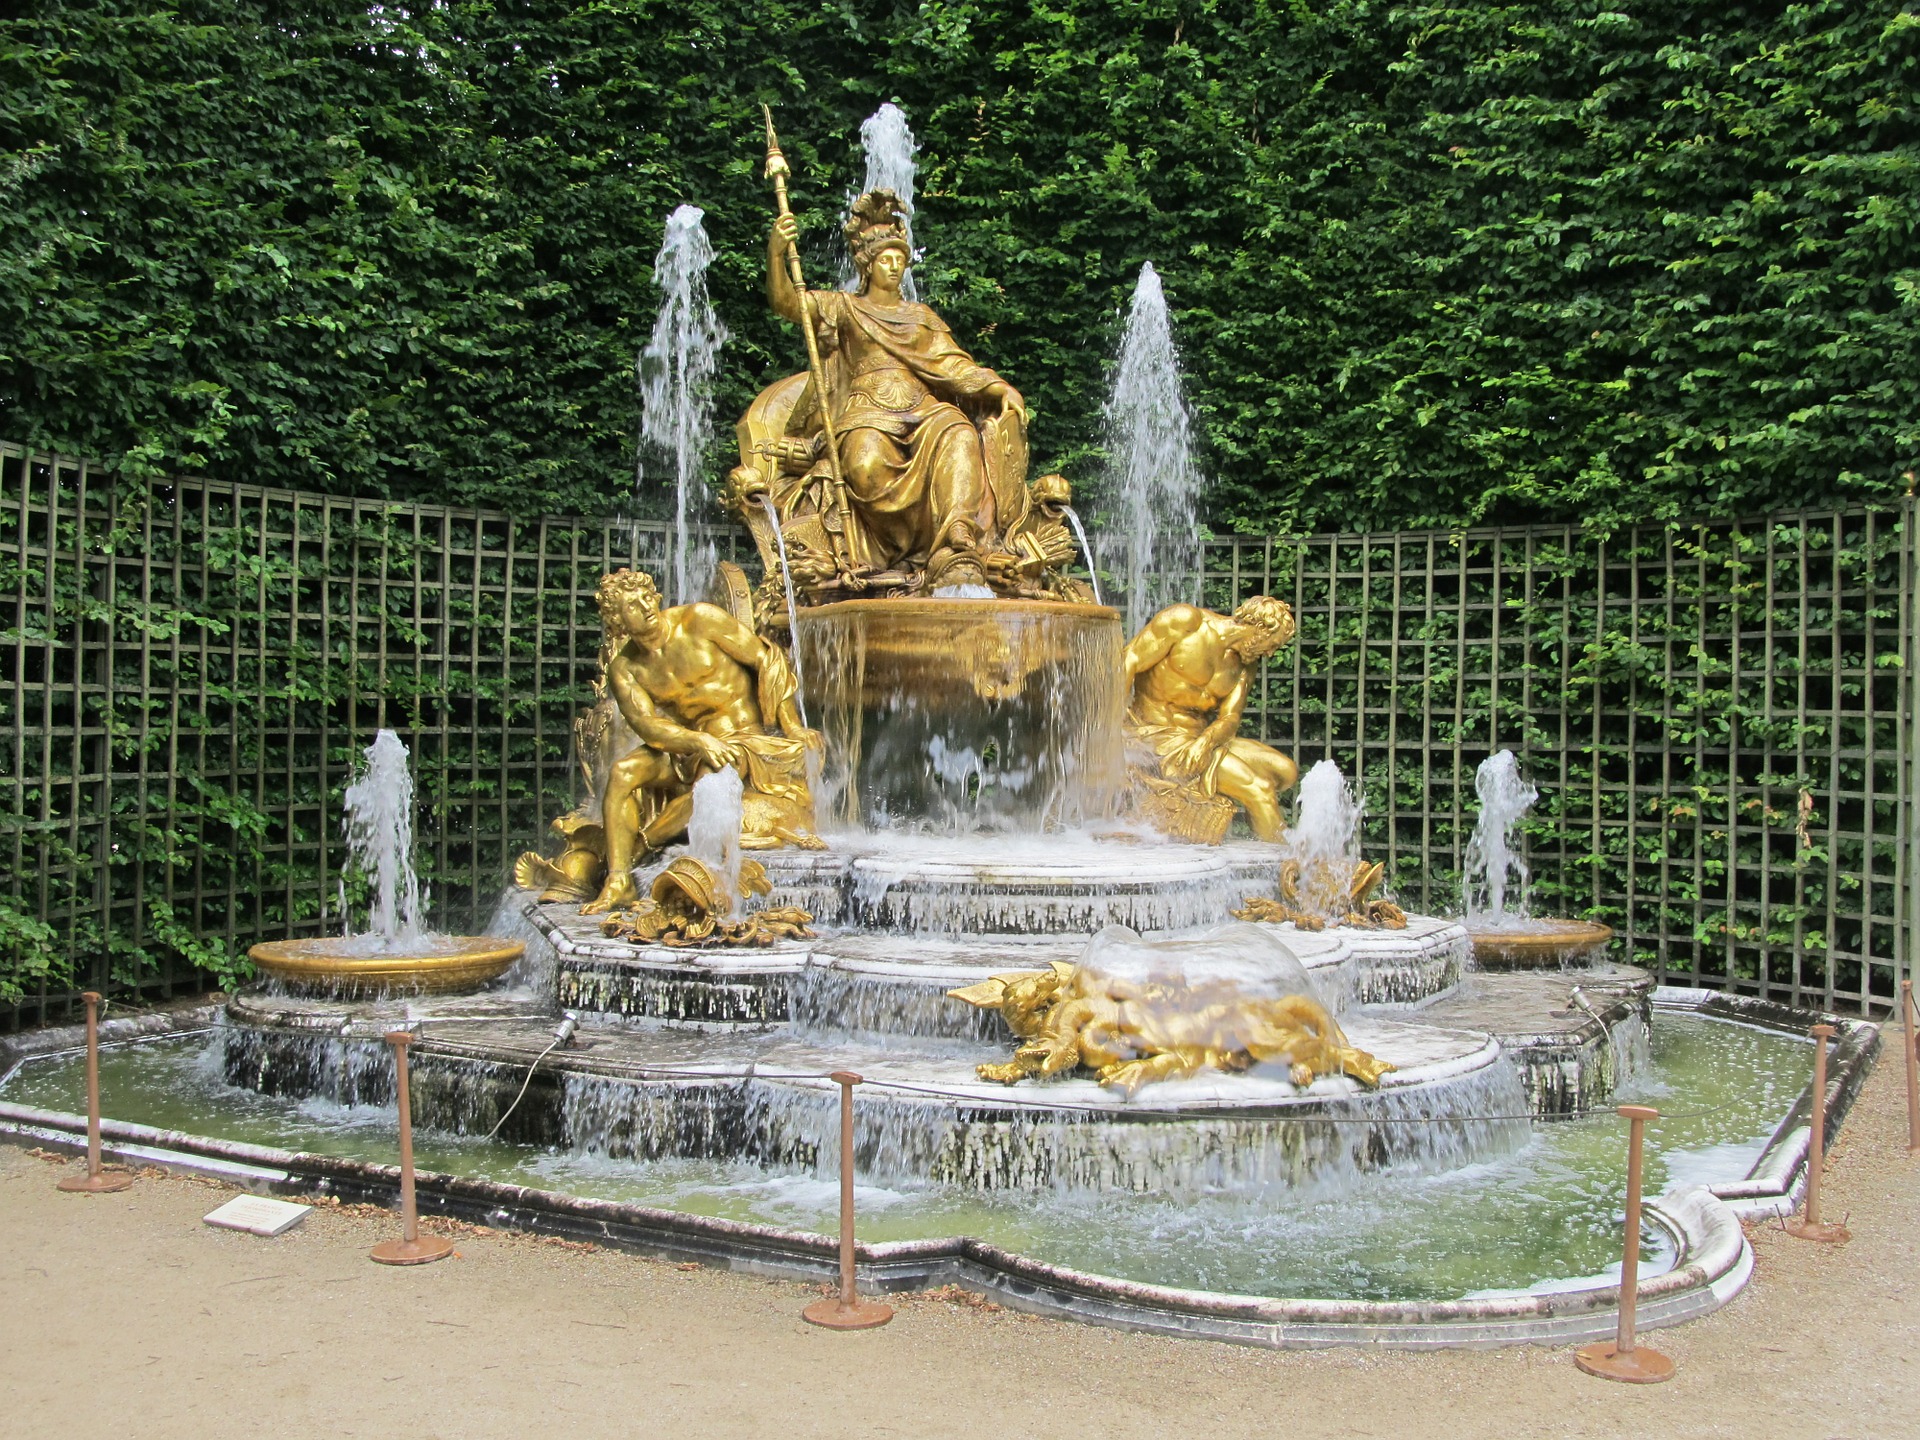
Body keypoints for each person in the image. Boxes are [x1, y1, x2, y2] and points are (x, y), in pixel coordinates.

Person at [764, 189, 1026, 590]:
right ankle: (888, 550)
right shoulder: (844, 307)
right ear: (867, 266)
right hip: (867, 409)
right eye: (885, 259)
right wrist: (776, 253)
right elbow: (787, 302)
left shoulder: (919, 316)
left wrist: (997, 386)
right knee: (865, 466)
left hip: (922, 407)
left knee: (959, 433)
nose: (894, 267)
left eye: (900, 260)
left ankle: (956, 535)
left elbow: (950, 363)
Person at [581, 569, 821, 914]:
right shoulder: (626, 669)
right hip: (689, 745)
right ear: (618, 620)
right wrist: (697, 740)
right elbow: (648, 727)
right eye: (632, 605)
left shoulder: (699, 620)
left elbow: (767, 659)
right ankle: (618, 879)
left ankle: (642, 845)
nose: (646, 605)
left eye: (647, 595)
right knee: (623, 772)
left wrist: (792, 725)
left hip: (745, 738)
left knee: (711, 778)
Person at [1122, 597, 1300, 842]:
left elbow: (1231, 717)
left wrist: (1205, 741)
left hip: (1198, 739)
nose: (1270, 652)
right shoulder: (1186, 622)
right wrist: (1111, 726)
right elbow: (1127, 661)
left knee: (1285, 771)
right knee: (1259, 790)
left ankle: (1262, 837)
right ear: (1259, 628)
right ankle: (1292, 869)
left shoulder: (1245, 665)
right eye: (1272, 644)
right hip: (1155, 735)